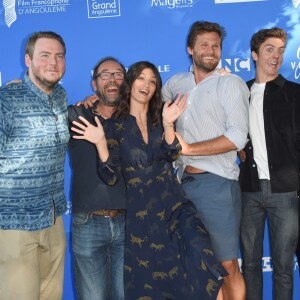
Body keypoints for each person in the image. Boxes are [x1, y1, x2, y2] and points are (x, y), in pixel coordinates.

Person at [71, 61, 227, 300]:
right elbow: (110, 175)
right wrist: (100, 142)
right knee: (154, 285)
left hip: (176, 208)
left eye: (153, 80)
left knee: (203, 261)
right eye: (141, 78)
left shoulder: (161, 117)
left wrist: (167, 124)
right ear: (130, 83)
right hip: (143, 217)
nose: (147, 84)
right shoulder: (114, 126)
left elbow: (173, 153)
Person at [162, 21, 249, 300]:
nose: (211, 51)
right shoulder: (175, 84)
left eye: (216, 45)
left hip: (218, 186)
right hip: (180, 186)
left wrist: (187, 149)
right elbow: (152, 116)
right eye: (204, 45)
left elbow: (237, 138)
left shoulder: (230, 83)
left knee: (226, 265)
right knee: (192, 264)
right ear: (190, 49)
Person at [0, 31, 69, 300]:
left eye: (59, 56)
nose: (53, 63)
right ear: (28, 60)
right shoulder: (6, 99)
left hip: (53, 218)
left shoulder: (61, 97)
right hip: (15, 223)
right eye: (45, 55)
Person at [239, 27, 300, 300]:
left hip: (286, 192)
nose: (276, 56)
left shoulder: (295, 94)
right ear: (254, 55)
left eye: (280, 50)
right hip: (248, 191)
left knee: (284, 267)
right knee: (250, 265)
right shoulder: (240, 93)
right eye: (269, 49)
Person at [68, 57, 127, 300]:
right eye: (105, 75)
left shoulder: (135, 120)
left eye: (118, 74)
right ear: (94, 84)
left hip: (128, 223)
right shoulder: (76, 116)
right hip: (87, 224)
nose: (112, 79)